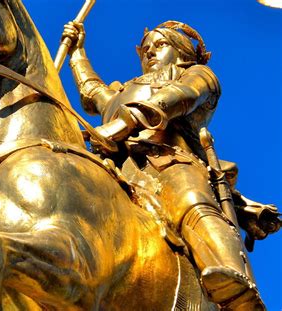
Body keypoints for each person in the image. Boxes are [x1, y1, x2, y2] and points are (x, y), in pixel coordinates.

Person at [62, 20, 266, 310]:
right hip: (120, 169)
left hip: (170, 162)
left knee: (191, 202)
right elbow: (93, 92)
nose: (150, 52)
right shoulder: (124, 91)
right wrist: (77, 54)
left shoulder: (196, 74)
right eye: (145, 49)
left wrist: (126, 122)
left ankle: (235, 287)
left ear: (181, 51)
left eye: (160, 45)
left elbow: (182, 97)